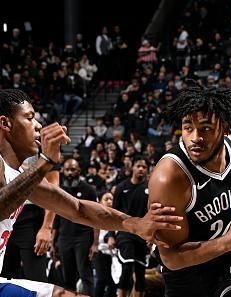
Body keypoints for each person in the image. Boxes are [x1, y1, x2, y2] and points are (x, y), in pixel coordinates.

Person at [0, 88, 182, 296]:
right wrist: (46, 162)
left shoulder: (20, 176)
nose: (38, 125)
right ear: (5, 123)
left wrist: (134, 224)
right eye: (30, 118)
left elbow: (78, 209)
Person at [148, 80, 231, 297]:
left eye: (205, 128)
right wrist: (227, 242)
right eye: (188, 128)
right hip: (189, 273)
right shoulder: (169, 177)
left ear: (224, 127)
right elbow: (172, 258)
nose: (195, 138)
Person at [0, 168, 58, 282]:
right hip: (5, 215)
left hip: (31, 216)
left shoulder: (40, 153)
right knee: (5, 278)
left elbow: (53, 190)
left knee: (36, 279)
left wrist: (47, 227)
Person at [54, 158, 98, 295]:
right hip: (64, 237)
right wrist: (52, 240)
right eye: (67, 169)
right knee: (67, 276)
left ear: (78, 170)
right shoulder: (59, 189)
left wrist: (95, 243)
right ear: (62, 171)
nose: (69, 173)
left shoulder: (89, 190)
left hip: (83, 237)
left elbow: (96, 218)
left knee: (85, 273)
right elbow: (55, 217)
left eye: (73, 169)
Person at [109, 156, 150, 297]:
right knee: (127, 267)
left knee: (140, 273)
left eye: (144, 167)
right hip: (125, 232)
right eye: (138, 166)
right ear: (132, 168)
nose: (141, 169)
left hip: (143, 235)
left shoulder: (151, 189)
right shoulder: (121, 188)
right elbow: (112, 213)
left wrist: (152, 237)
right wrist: (111, 236)